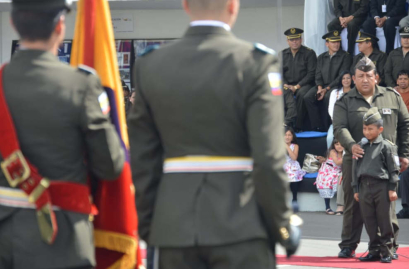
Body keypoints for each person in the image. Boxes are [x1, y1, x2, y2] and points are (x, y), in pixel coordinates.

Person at [128, 0, 300, 268]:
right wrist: (283, 225)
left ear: (185, 5)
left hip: (174, 228)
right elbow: (268, 158)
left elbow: (142, 159)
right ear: (233, 6)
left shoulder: (152, 64)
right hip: (242, 227)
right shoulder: (256, 62)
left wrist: (151, 226)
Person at [0, 0, 126, 268]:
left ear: (13, 23)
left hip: (3, 238)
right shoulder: (82, 85)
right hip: (66, 238)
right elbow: (110, 165)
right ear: (60, 26)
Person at [333, 57, 409, 259]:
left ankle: (389, 245)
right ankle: (349, 244)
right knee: (353, 202)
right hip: (356, 159)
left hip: (385, 161)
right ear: (353, 78)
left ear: (376, 77)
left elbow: (405, 125)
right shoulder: (344, 101)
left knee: (387, 203)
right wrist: (352, 146)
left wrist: (404, 154)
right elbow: (339, 128)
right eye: (360, 76)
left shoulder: (392, 97)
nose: (365, 79)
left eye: (369, 75)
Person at [353, 107, 399, 263]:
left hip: (382, 186)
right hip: (365, 186)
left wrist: (392, 189)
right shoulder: (361, 146)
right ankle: (373, 250)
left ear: (380, 129)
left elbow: (394, 169)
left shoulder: (387, 146)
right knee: (369, 220)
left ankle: (387, 251)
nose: (367, 132)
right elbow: (355, 169)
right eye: (364, 128)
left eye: (370, 129)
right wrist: (356, 189)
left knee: (384, 220)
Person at [305, 31, 352, 132]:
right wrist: (319, 88)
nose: (336, 44)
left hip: (336, 85)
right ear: (327, 44)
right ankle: (317, 126)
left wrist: (326, 89)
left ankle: (327, 126)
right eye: (333, 42)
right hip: (322, 86)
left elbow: (341, 76)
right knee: (308, 97)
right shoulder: (322, 57)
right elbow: (318, 74)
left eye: (338, 42)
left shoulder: (345, 56)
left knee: (327, 97)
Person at [281, 28, 317, 130]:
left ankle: (298, 125)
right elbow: (279, 72)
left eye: (297, 39)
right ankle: (284, 124)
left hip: (304, 84)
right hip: (287, 85)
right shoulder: (282, 54)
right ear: (287, 41)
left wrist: (297, 86)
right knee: (280, 93)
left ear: (301, 40)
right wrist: (285, 85)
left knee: (301, 94)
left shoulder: (309, 53)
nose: (294, 42)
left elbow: (311, 74)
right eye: (292, 40)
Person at [315, 138, 343, 215]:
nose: (339, 146)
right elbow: (337, 162)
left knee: (340, 179)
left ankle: (341, 205)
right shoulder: (332, 151)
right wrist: (348, 156)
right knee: (327, 182)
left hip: (337, 171)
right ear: (334, 145)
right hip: (327, 171)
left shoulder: (345, 152)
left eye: (341, 144)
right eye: (337, 144)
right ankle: (327, 207)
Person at [327, 71, 353, 149]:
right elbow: (331, 109)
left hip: (352, 123)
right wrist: (337, 121)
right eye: (343, 78)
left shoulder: (356, 92)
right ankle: (331, 159)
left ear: (352, 79)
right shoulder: (335, 93)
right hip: (337, 122)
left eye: (348, 78)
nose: (346, 80)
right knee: (329, 138)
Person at [283, 127, 305, 213]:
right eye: (285, 135)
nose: (287, 137)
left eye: (289, 135)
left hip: (292, 165)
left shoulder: (295, 146)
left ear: (292, 137)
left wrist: (287, 147)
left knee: (293, 175)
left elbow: (294, 158)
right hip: (283, 165)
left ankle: (294, 199)